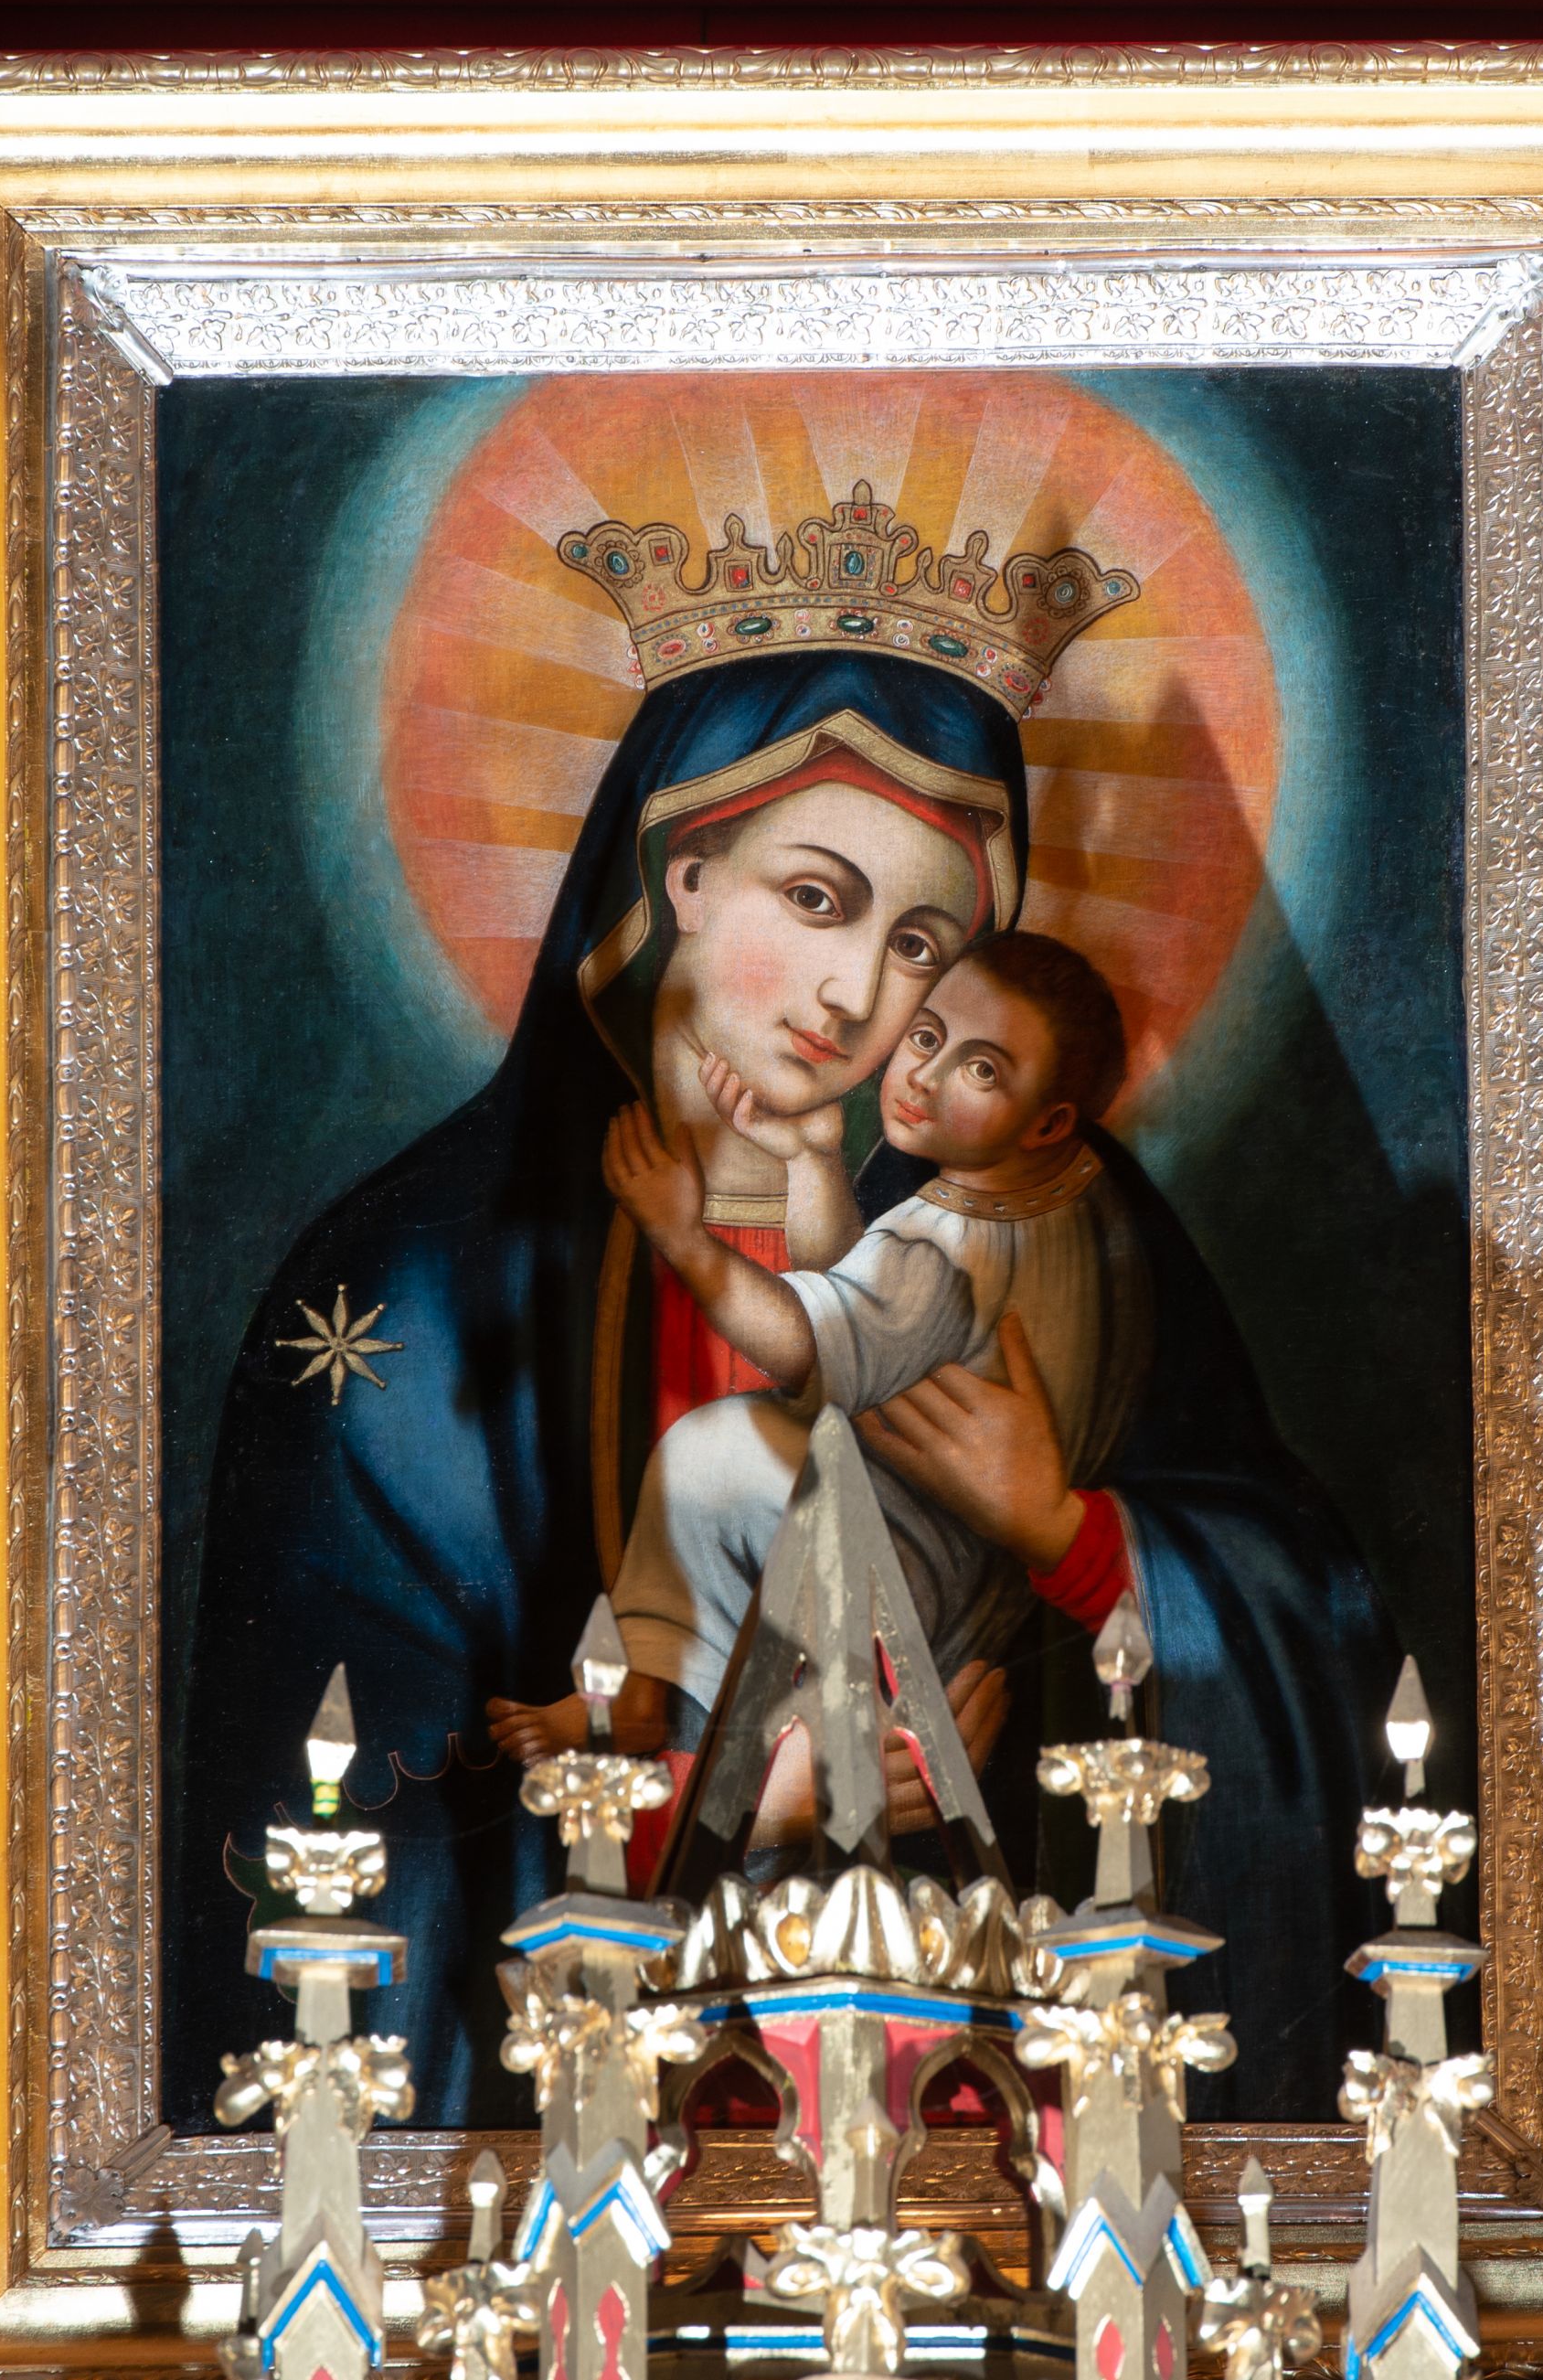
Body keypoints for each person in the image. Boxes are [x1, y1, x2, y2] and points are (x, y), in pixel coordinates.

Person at [175, 615, 1396, 2129]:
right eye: (816, 898)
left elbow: (1304, 1619)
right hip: (575, 2132)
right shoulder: (413, 1288)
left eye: (924, 946)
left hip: (971, 2101)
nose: (857, 992)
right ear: (679, 873)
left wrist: (1073, 1538)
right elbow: (338, 1800)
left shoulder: (1050, 1221)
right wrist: (735, 1796)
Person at [489, 929, 1149, 1766]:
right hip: (958, 1568)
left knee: (709, 1453)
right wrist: (812, 1158)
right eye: (927, 1036)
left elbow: (806, 1340)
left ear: (1048, 1121)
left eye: (981, 1071)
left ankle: (652, 1695)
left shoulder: (945, 1241)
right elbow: (866, 1312)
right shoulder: (1073, 1209)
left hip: (896, 1573)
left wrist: (684, 1239)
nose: (926, 1076)